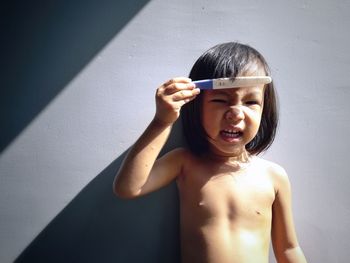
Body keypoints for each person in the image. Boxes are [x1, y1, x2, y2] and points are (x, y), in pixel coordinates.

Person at [113, 42, 307, 263]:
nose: (235, 114)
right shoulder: (185, 162)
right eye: (220, 100)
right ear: (197, 107)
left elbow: (289, 249)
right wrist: (162, 120)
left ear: (265, 109)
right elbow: (128, 187)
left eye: (251, 101)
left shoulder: (274, 176)